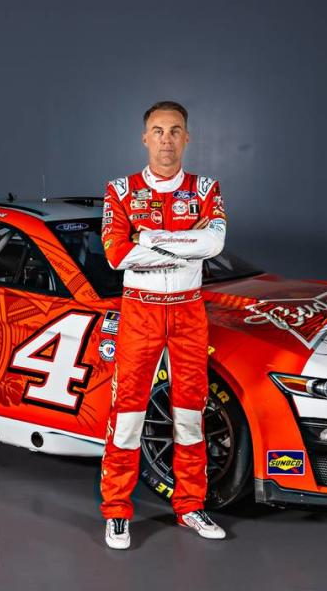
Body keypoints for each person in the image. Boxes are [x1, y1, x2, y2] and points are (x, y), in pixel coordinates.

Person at [100, 101, 228, 549]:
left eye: (175, 131)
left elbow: (214, 243)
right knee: (129, 413)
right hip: (140, 309)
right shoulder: (119, 190)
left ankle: (190, 506)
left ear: (187, 137)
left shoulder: (206, 187)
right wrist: (185, 243)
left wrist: (150, 238)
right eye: (158, 131)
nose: (167, 140)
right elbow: (118, 254)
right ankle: (117, 511)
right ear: (144, 137)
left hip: (189, 311)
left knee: (190, 414)